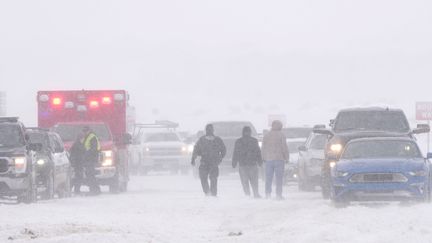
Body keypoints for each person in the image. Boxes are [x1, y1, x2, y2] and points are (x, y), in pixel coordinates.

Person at [191, 124, 226, 197]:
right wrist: (193, 158)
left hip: (213, 163)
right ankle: (208, 193)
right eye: (208, 129)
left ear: (213, 130)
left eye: (210, 129)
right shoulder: (202, 140)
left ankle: (212, 194)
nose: (209, 131)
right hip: (205, 162)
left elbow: (223, 150)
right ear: (206, 130)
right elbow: (196, 150)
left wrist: (220, 157)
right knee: (204, 178)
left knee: (213, 179)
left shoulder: (217, 140)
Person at [261, 120, 289, 200]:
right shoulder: (281, 135)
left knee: (268, 177)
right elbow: (284, 148)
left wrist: (263, 157)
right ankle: (278, 194)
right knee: (279, 178)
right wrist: (286, 157)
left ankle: (267, 193)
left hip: (269, 159)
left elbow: (263, 147)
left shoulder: (267, 135)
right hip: (279, 159)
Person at [232, 126, 262, 198]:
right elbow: (258, 152)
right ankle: (255, 194)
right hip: (252, 164)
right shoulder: (254, 141)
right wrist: (259, 161)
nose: (247, 133)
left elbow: (235, 153)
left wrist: (234, 162)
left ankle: (247, 195)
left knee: (244, 182)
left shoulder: (238, 141)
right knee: (254, 181)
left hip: (243, 164)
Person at [82, 126, 101, 195]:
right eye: (84, 131)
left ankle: (95, 190)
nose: (84, 133)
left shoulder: (92, 137)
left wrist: (86, 154)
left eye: (85, 131)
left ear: (89, 131)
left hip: (91, 159)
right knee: (90, 175)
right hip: (88, 159)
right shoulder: (87, 137)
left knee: (90, 175)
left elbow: (93, 149)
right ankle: (94, 189)